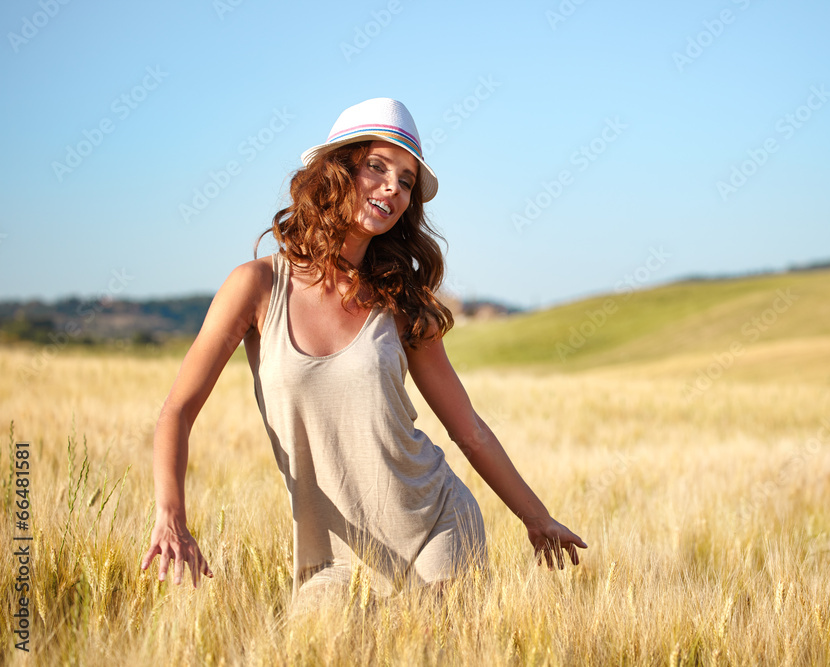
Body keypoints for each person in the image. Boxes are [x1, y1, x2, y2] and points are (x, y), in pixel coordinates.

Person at [140, 98, 587, 600]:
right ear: (336, 170)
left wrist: (537, 519)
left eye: (407, 180)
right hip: (331, 560)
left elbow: (470, 430)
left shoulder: (401, 301)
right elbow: (177, 410)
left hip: (436, 529)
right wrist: (171, 517)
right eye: (377, 166)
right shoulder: (257, 286)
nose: (393, 187)